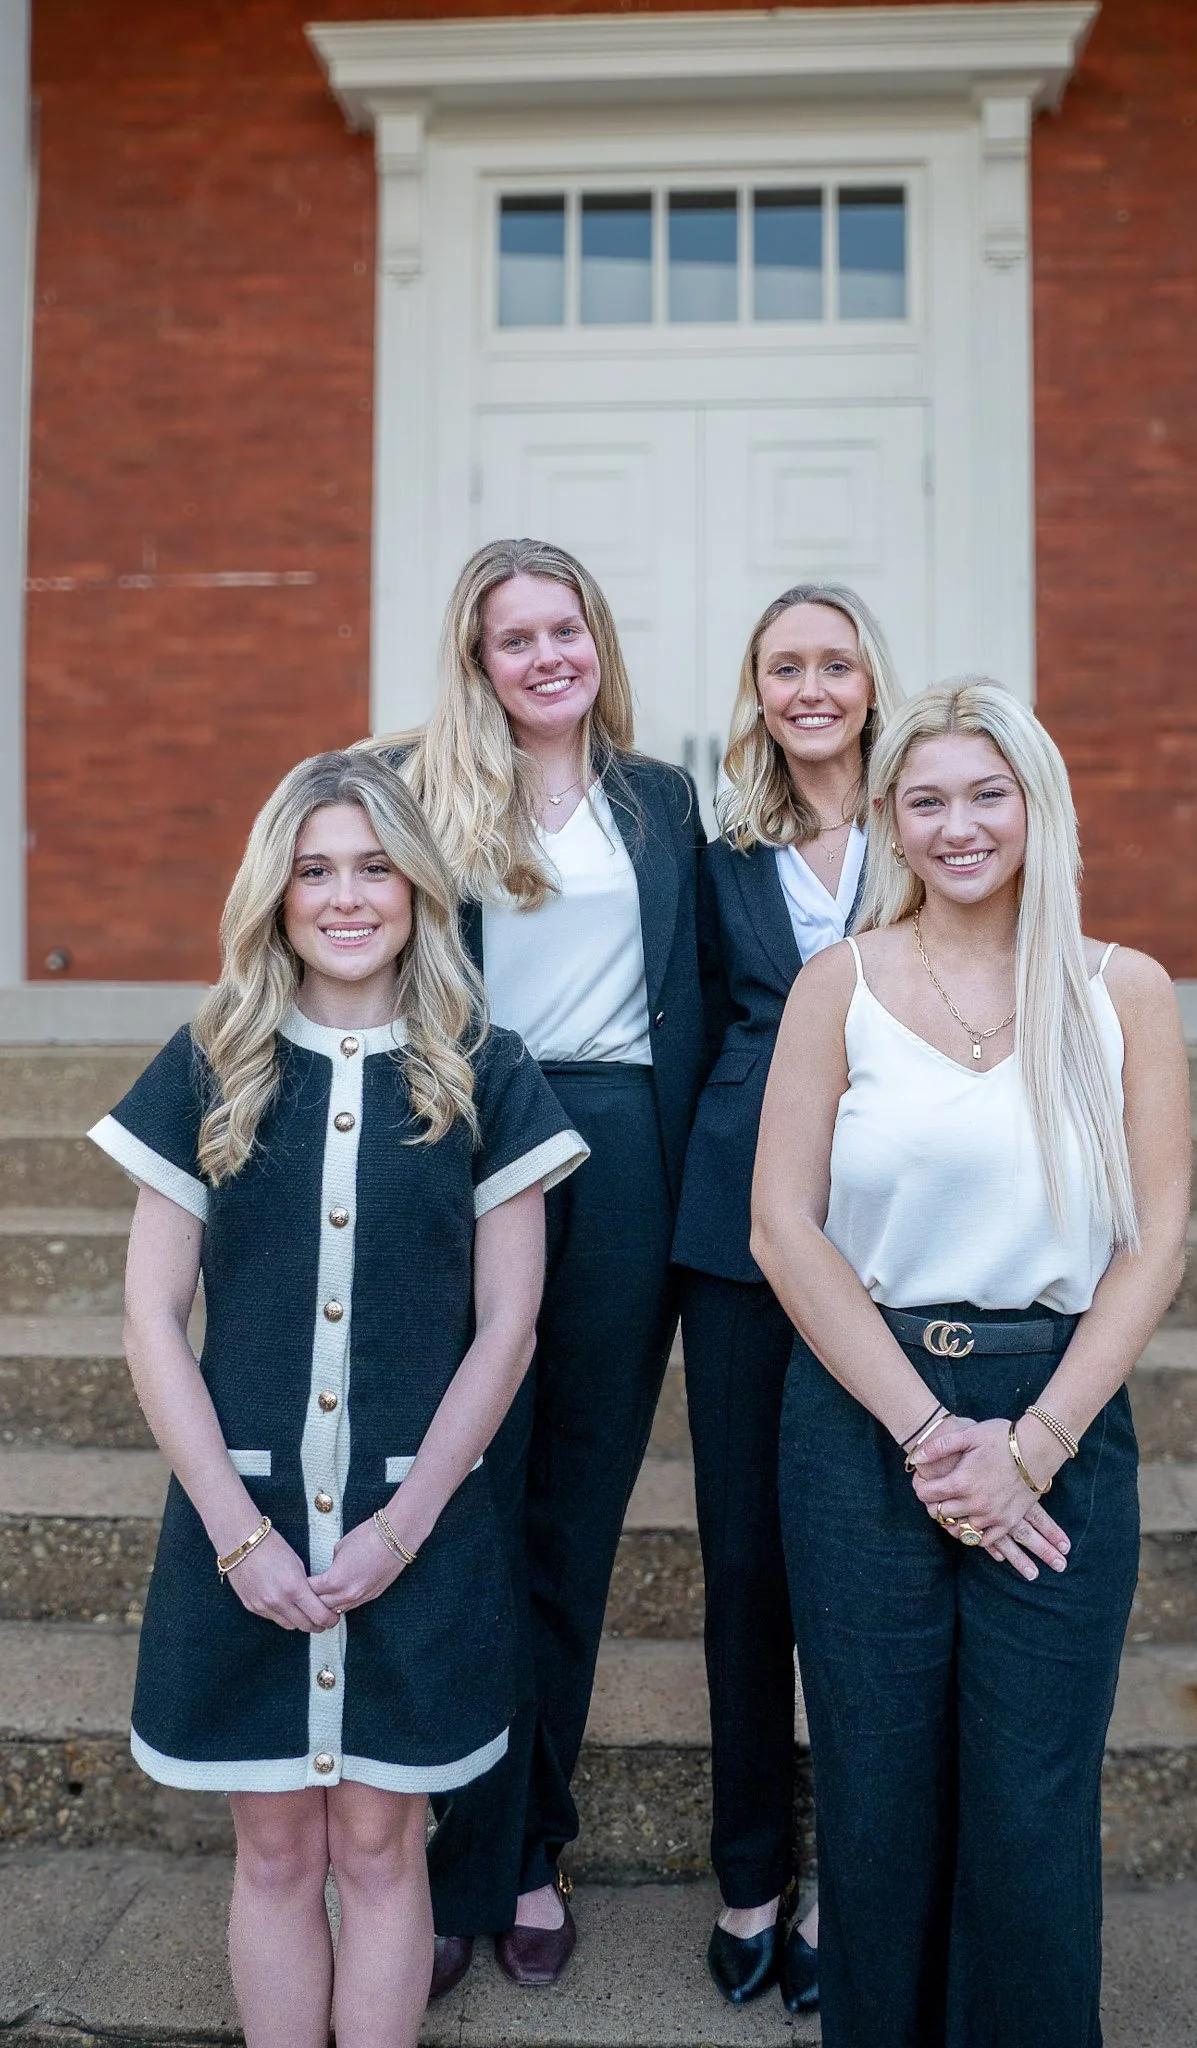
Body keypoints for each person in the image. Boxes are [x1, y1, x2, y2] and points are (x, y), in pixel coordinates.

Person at [87, 751, 586, 2048]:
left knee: (378, 1846)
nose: (347, 897)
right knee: (273, 1850)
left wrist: (403, 1530)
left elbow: (509, 1325)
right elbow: (150, 1318)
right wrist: (237, 1535)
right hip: (239, 1533)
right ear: (277, 891)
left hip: (417, 1536)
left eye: (375, 868)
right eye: (316, 871)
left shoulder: (486, 1069)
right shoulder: (211, 1063)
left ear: (419, 887)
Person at [751, 680, 1190, 2048]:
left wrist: (1032, 1448)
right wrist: (932, 1434)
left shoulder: (1123, 992)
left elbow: (1156, 1241)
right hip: (865, 1419)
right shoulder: (840, 986)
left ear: (1038, 806)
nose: (959, 826)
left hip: (1059, 1416)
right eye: (927, 799)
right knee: (875, 1800)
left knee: (1030, 1804)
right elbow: (781, 1225)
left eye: (988, 795)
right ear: (890, 818)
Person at [380, 538, 707, 1992]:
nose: (546, 656)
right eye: (514, 638)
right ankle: (446, 1858)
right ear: (478, 660)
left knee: (574, 1519)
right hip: (474, 1141)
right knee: (467, 1507)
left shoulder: (661, 799)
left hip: (625, 1149)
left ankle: (527, 1855)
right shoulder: (416, 790)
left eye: (564, 629)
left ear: (598, 639)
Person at [671, 583, 901, 2012]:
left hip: (898, 1234)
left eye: (835, 663)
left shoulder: (934, 824)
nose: (810, 689)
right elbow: (700, 1028)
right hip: (738, 1236)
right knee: (746, 1566)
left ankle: (853, 1886)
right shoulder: (724, 857)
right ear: (755, 694)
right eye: (783, 668)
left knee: (866, 1572)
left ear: (873, 681)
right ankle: (751, 1872)